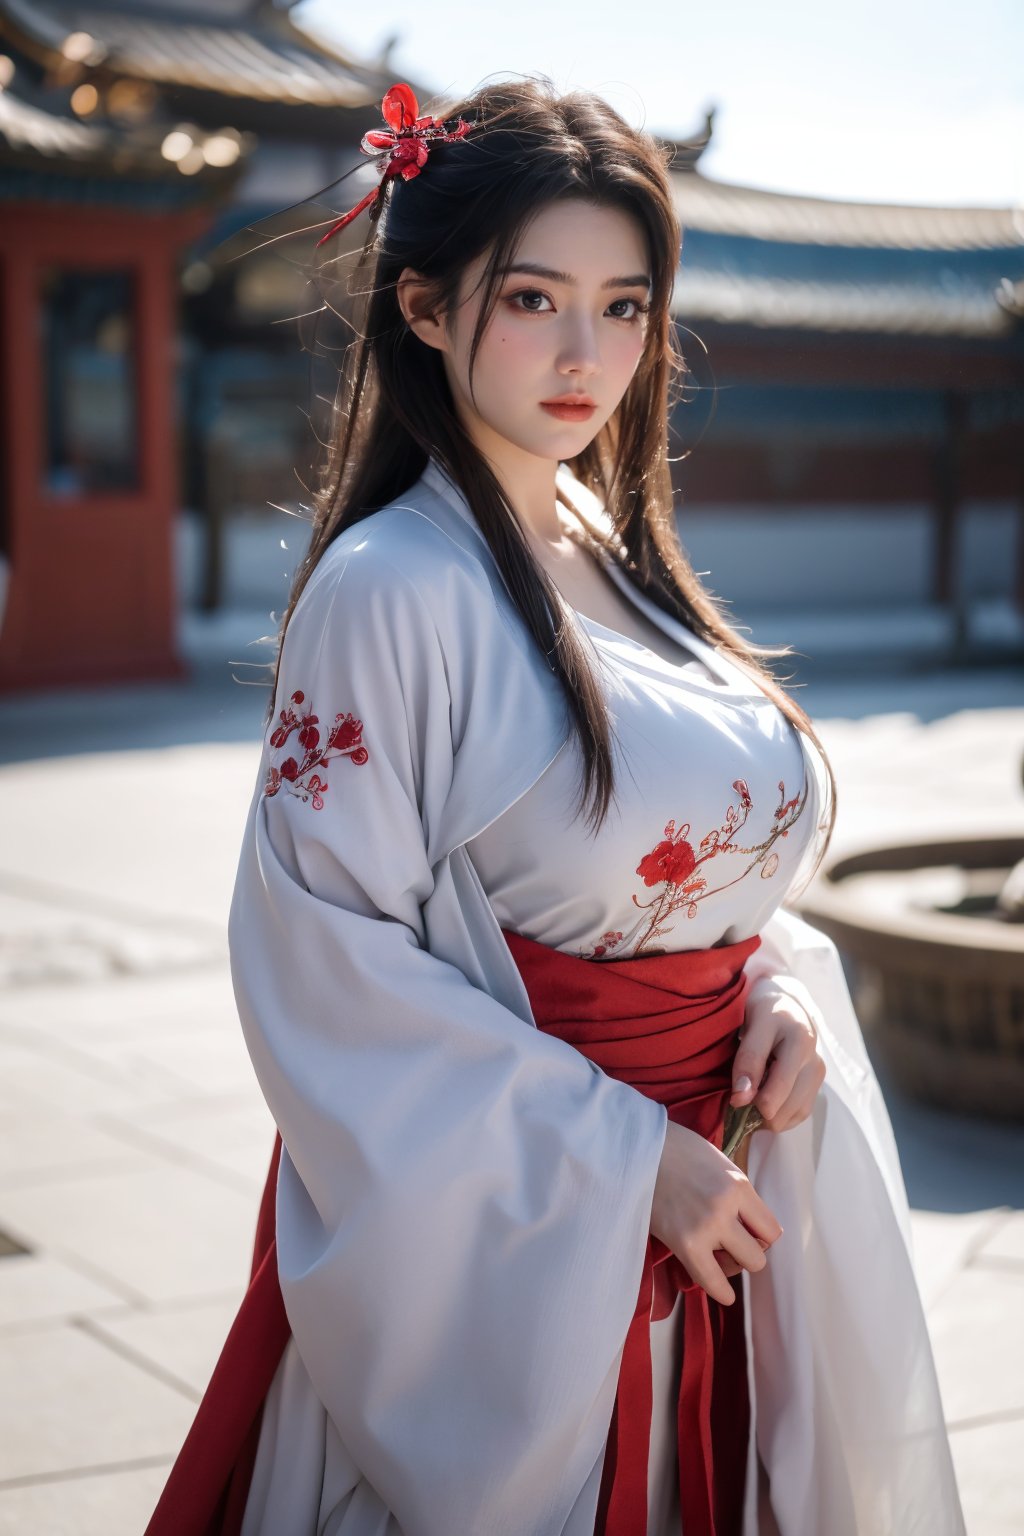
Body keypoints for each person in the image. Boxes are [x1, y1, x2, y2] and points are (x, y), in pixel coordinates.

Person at [146, 76, 965, 1536]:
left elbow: (701, 878)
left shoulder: (613, 546)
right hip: (535, 1239)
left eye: (628, 306)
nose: (589, 355)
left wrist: (773, 987)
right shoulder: (391, 587)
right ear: (424, 308)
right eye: (533, 300)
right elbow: (325, 966)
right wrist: (626, 1158)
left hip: (718, 1194)